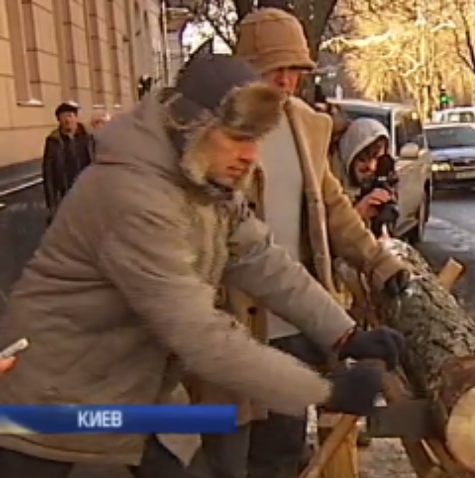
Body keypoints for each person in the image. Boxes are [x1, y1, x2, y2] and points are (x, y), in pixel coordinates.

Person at [0, 53, 403, 478]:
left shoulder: (202, 179)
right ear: (190, 125)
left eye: (256, 139)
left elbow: (260, 257)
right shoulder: (134, 198)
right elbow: (199, 334)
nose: (250, 156)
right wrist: (322, 390)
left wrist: (344, 334)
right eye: (236, 137)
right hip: (52, 410)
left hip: (138, 396)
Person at [230, 9, 411, 478]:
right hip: (233, 321)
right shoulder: (219, 133)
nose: (287, 81)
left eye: (296, 70)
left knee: (282, 448)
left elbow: (332, 207)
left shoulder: (306, 126)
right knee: (229, 453)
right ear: (246, 68)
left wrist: (378, 263)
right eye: (275, 69)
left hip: (297, 316)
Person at [42, 101, 95, 223]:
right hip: (65, 194)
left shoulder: (88, 137)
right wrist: (51, 204)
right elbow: (48, 173)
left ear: (76, 118)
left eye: (70, 116)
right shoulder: (53, 141)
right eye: (63, 116)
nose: (67, 120)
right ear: (59, 120)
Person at [335, 118, 396, 223]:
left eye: (377, 159)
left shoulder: (383, 182)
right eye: (362, 159)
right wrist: (358, 212)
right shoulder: (332, 190)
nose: (371, 167)